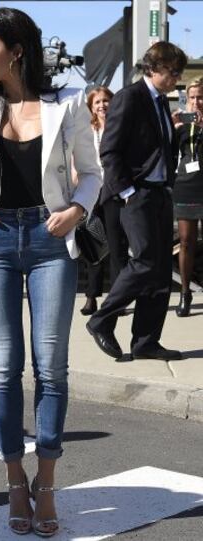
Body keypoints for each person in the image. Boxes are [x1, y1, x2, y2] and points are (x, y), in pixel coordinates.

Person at [0, 7, 101, 537]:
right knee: (3, 367)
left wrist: (78, 209)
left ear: (16, 50)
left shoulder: (67, 104)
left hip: (49, 240)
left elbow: (92, 173)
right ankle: (15, 479)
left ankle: (47, 482)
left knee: (51, 367)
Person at [86, 41, 187, 361]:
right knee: (143, 261)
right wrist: (127, 192)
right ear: (153, 68)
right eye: (173, 71)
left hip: (159, 193)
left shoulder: (160, 102)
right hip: (136, 194)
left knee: (158, 272)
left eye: (179, 73)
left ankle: (145, 342)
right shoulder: (130, 98)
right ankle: (102, 320)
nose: (176, 78)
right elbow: (110, 150)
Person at [80, 86, 128, 316]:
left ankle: (116, 300)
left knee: (118, 246)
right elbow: (75, 159)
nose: (102, 106)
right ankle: (91, 296)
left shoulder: (122, 128)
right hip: (91, 191)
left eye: (106, 101)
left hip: (115, 191)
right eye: (97, 102)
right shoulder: (87, 131)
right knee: (93, 245)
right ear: (91, 106)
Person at [172, 77, 203, 316]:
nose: (196, 102)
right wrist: (173, 130)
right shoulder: (183, 124)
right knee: (185, 241)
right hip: (186, 185)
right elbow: (168, 153)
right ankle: (185, 292)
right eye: (192, 97)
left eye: (200, 97)